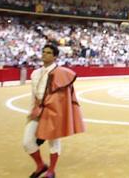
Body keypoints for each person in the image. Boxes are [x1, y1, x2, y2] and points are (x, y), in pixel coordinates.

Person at [23, 44, 85, 178]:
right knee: (27, 142)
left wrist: (58, 113)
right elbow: (34, 95)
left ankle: (51, 170)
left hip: (52, 111)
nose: (45, 54)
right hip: (37, 110)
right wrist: (31, 112)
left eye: (49, 53)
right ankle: (40, 166)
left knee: (53, 141)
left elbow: (63, 98)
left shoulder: (61, 73)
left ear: (55, 56)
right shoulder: (35, 73)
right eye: (43, 52)